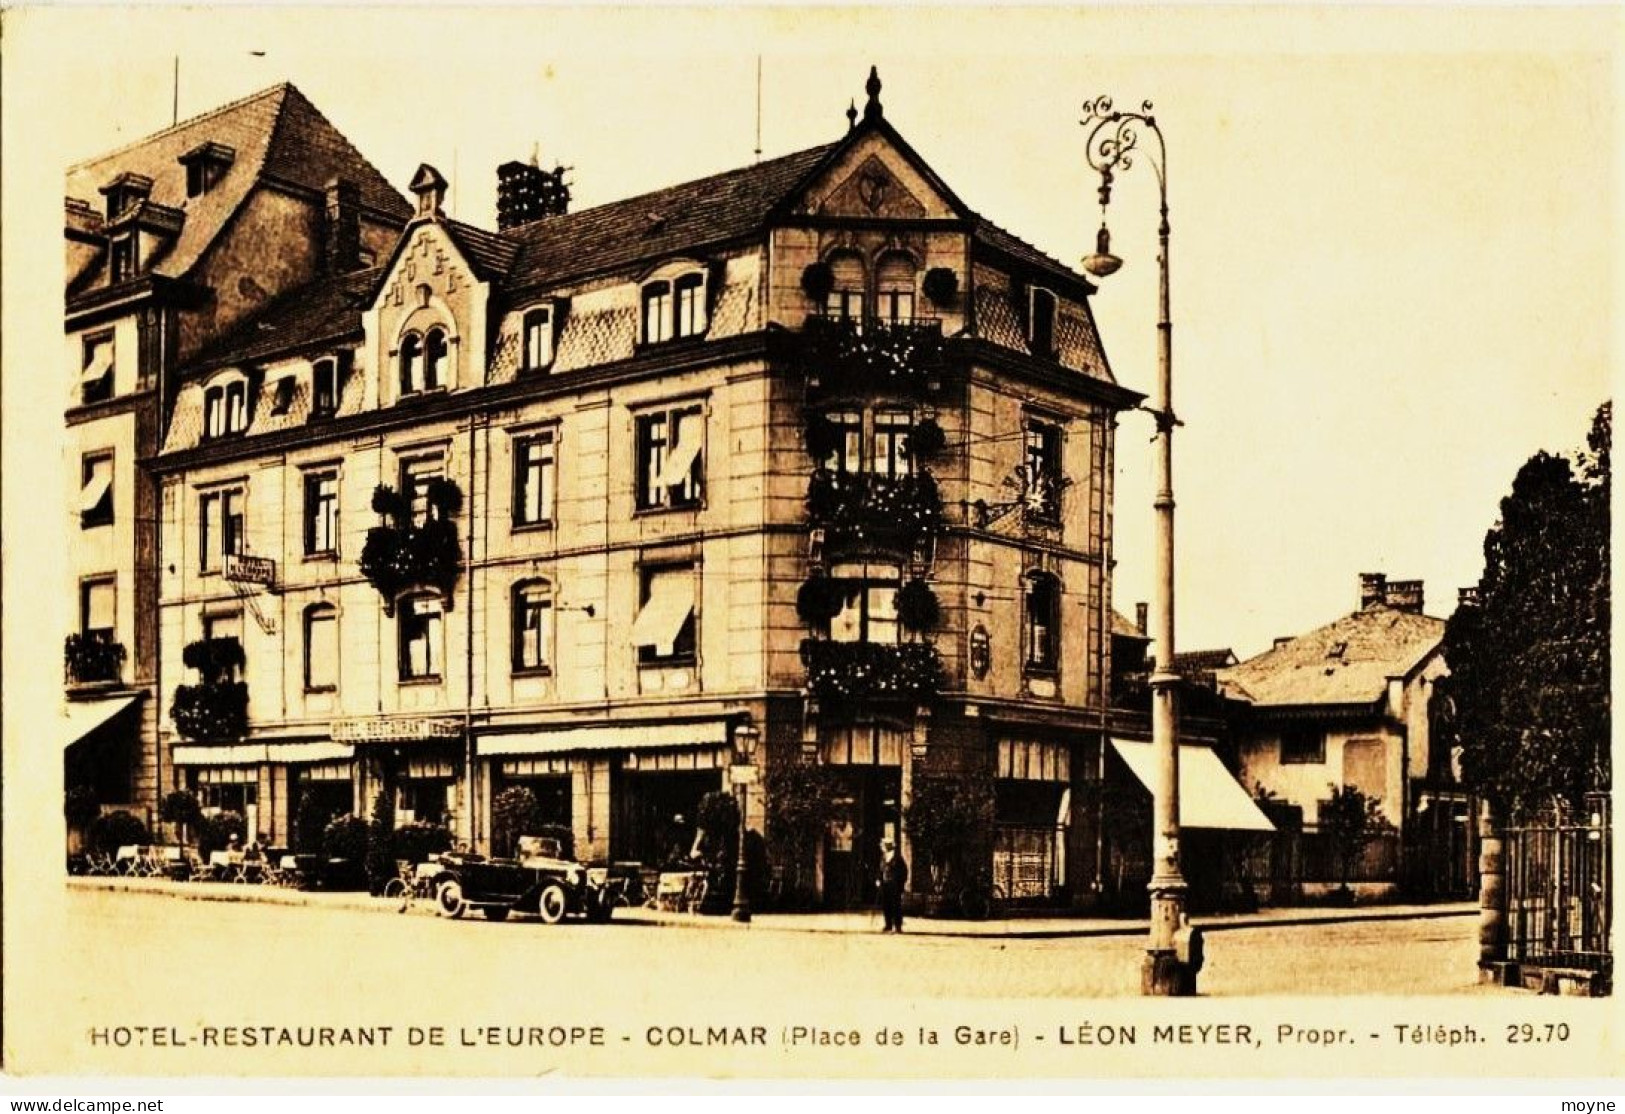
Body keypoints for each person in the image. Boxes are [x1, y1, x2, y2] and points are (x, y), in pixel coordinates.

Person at [878, 838, 908, 933]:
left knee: (896, 906)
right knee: (886, 905)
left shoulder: (898, 858)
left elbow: (904, 872)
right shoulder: (883, 857)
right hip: (885, 885)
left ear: (888, 846)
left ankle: (898, 926)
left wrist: (900, 883)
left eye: (883, 845)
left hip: (895, 886)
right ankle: (888, 925)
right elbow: (881, 870)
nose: (881, 847)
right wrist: (878, 879)